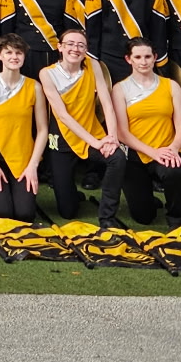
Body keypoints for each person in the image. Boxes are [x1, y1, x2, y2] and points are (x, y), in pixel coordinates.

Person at [102, 37, 181, 228]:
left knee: (175, 171)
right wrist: (153, 153)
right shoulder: (120, 88)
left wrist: (173, 148)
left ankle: (176, 217)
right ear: (128, 59)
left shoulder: (171, 85)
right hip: (136, 155)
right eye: (138, 57)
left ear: (155, 57)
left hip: (167, 151)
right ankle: (149, 200)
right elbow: (122, 132)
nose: (143, 61)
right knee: (144, 217)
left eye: (148, 56)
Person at [38, 28, 118, 220]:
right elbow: (63, 116)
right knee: (67, 211)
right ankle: (73, 195)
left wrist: (112, 137)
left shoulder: (93, 65)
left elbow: (107, 103)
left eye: (81, 45)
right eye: (70, 44)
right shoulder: (47, 73)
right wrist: (95, 143)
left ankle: (108, 213)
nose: (76, 48)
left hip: (92, 131)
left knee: (118, 158)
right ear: (60, 47)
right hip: (63, 136)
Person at [0, 35, 47, 222]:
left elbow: (42, 129)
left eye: (18, 53)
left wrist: (33, 166)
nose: (14, 57)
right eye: (9, 52)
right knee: (1, 213)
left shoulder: (34, 86)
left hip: (24, 158)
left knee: (24, 214)